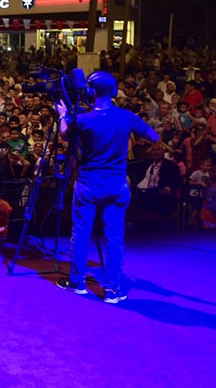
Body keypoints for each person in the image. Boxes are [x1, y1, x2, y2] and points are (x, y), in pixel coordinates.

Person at [54, 71, 158, 304]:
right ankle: (112, 290)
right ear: (113, 91)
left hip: (88, 185)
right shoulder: (126, 117)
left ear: (91, 92)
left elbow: (64, 135)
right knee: (114, 238)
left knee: (80, 235)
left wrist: (62, 115)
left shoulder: (83, 120)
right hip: (117, 185)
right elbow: (153, 136)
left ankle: (77, 283)